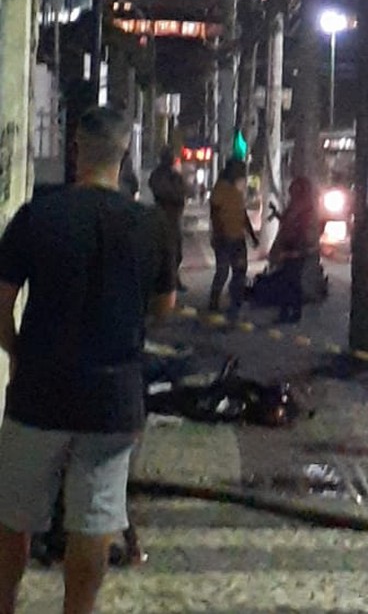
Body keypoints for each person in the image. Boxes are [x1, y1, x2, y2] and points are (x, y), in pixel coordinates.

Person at [0, 106, 176, 614]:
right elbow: (163, 309)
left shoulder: (38, 215)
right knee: (95, 521)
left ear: (76, 147)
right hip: (113, 398)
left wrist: (16, 351)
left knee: (12, 518)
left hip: (38, 392)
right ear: (125, 156)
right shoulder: (150, 226)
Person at [267, 177, 321, 324]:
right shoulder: (297, 205)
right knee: (290, 281)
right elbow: (287, 221)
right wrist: (277, 213)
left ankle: (290, 313)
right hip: (291, 247)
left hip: (296, 248)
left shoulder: (304, 208)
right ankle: (290, 312)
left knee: (291, 281)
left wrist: (294, 251)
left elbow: (303, 231)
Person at [208, 159, 258, 318]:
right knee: (222, 271)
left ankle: (235, 302)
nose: (242, 176)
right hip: (225, 237)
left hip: (237, 237)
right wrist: (218, 235)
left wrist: (252, 235)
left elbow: (242, 214)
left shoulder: (237, 190)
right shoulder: (221, 188)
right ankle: (214, 301)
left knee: (239, 270)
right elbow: (215, 214)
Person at [149, 145, 187, 292]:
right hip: (163, 216)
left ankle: (173, 280)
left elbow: (182, 192)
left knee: (177, 253)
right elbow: (164, 191)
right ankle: (164, 282)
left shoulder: (174, 175)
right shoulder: (159, 175)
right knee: (165, 252)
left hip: (174, 217)